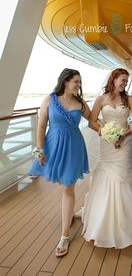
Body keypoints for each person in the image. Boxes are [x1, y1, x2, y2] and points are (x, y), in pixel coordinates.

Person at [75, 68, 132, 248]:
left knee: (123, 177)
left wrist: (126, 132)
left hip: (125, 143)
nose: (124, 83)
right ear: (113, 79)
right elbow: (91, 121)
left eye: (127, 81)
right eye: (122, 80)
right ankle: (102, 220)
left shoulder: (129, 100)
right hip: (106, 144)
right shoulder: (100, 99)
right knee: (105, 177)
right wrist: (104, 132)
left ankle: (127, 222)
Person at [29, 68, 90, 257]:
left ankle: (64, 236)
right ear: (66, 82)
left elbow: (94, 121)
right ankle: (69, 215)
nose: (79, 85)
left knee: (67, 188)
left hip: (73, 147)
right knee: (63, 187)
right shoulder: (49, 100)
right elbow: (40, 126)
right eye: (76, 82)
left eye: (80, 82)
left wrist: (109, 131)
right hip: (54, 146)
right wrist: (39, 149)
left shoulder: (80, 103)